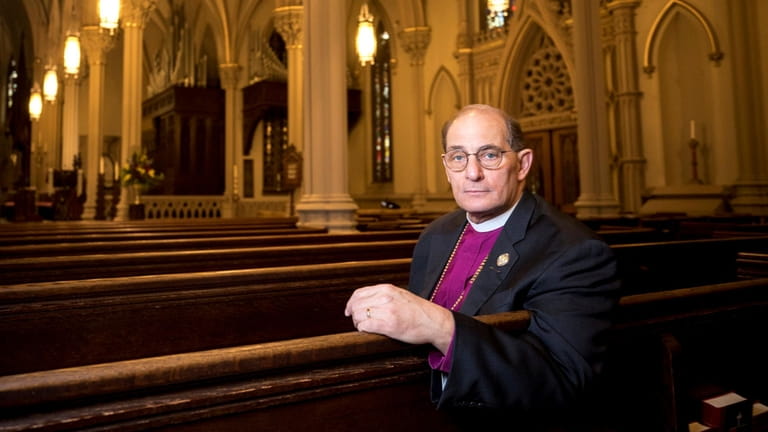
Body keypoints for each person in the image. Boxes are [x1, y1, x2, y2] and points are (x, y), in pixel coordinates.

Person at [344, 104, 621, 430]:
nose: (472, 172)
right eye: (458, 157)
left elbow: (562, 383)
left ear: (522, 164)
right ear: (447, 168)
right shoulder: (436, 235)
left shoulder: (574, 251)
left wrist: (440, 326)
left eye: (489, 155)